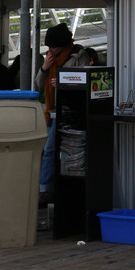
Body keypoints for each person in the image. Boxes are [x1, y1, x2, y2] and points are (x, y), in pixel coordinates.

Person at [35, 22, 88, 198]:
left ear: (63, 45)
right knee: (49, 149)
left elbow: (85, 82)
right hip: (53, 109)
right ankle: (47, 186)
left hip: (71, 110)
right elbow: (37, 85)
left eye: (54, 46)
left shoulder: (78, 56)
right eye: (49, 46)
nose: (50, 50)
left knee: (55, 150)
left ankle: (49, 187)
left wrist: (64, 83)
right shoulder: (50, 59)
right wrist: (44, 68)